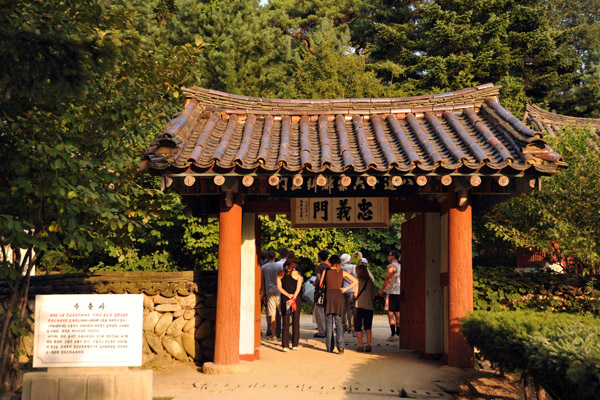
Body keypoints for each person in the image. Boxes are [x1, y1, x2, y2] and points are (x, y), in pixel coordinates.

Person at [320, 254, 357, 354]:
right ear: (338, 263)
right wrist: (345, 288)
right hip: (339, 296)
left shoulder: (325, 271)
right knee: (339, 321)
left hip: (329, 296)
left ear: (330, 262)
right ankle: (340, 346)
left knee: (328, 322)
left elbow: (320, 284)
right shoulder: (342, 272)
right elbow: (355, 281)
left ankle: (329, 346)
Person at [276, 257, 303, 352]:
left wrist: (288, 296)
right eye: (295, 263)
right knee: (296, 320)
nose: (296, 265)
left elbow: (279, 287)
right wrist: (293, 297)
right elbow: (298, 288)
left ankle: (285, 345)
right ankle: (295, 344)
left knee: (285, 321)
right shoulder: (297, 274)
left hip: (285, 299)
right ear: (292, 264)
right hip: (295, 299)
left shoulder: (280, 273)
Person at [354, 258, 379, 352]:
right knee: (368, 326)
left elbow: (355, 294)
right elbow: (376, 293)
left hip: (358, 306)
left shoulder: (356, 281)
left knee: (358, 326)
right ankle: (368, 344)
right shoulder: (370, 282)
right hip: (369, 306)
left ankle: (360, 346)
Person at [380, 250, 402, 342]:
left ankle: (393, 334)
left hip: (392, 292)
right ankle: (399, 333)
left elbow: (387, 279)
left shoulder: (390, 266)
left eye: (389, 255)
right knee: (398, 314)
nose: (388, 257)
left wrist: (382, 290)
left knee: (390, 313)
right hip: (399, 291)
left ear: (392, 256)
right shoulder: (400, 266)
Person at [260, 249, 282, 340]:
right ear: (275, 257)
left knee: (272, 313)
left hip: (269, 291)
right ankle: (284, 332)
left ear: (268, 257)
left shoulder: (264, 268)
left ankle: (273, 335)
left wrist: (263, 294)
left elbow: (262, 282)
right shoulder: (279, 267)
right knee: (282, 312)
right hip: (279, 290)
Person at [312, 249, 330, 338]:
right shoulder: (329, 266)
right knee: (327, 312)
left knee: (318, 311)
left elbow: (318, 278)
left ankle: (321, 331)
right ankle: (328, 330)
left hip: (320, 291)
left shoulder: (319, 267)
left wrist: (315, 283)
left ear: (319, 257)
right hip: (328, 291)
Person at [340, 253, 356, 333]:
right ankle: (351, 327)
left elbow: (346, 264)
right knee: (350, 310)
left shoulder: (341, 267)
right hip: (350, 289)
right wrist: (360, 256)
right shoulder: (352, 267)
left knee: (343, 309)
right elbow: (360, 266)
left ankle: (343, 326)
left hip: (343, 289)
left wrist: (352, 258)